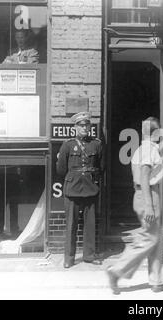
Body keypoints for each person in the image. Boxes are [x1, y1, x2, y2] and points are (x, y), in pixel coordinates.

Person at [106, 117, 163, 295]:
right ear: (155, 133)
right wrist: (149, 205)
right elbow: (145, 176)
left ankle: (159, 281)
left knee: (156, 238)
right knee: (149, 238)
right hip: (148, 195)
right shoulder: (148, 150)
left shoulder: (141, 149)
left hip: (142, 194)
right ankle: (117, 270)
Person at [56, 111, 104, 268]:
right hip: (73, 188)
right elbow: (61, 169)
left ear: (90, 126)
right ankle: (69, 258)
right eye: (81, 125)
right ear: (75, 127)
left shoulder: (96, 144)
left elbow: (101, 166)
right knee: (71, 225)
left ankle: (89, 255)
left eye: (87, 125)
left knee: (90, 224)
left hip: (90, 188)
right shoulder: (68, 145)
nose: (84, 127)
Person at [0, 166, 22, 239]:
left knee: (4, 208)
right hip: (8, 182)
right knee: (9, 208)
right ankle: (11, 229)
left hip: (7, 181)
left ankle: (2, 229)